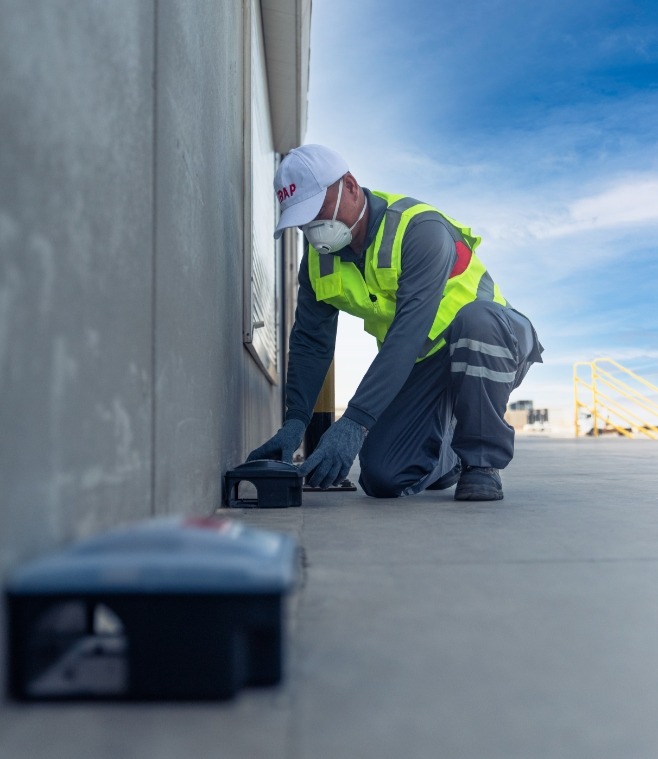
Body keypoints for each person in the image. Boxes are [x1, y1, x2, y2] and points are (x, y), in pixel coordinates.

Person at [247, 144, 543, 500]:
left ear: (351, 187)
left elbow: (407, 332)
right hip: (423, 363)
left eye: (317, 211)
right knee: (383, 477)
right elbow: (311, 342)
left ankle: (481, 463)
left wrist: (355, 422)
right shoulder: (317, 262)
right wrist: (295, 421)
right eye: (302, 221)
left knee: (476, 320)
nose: (313, 229)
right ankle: (448, 457)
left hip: (491, 342)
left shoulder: (418, 229)